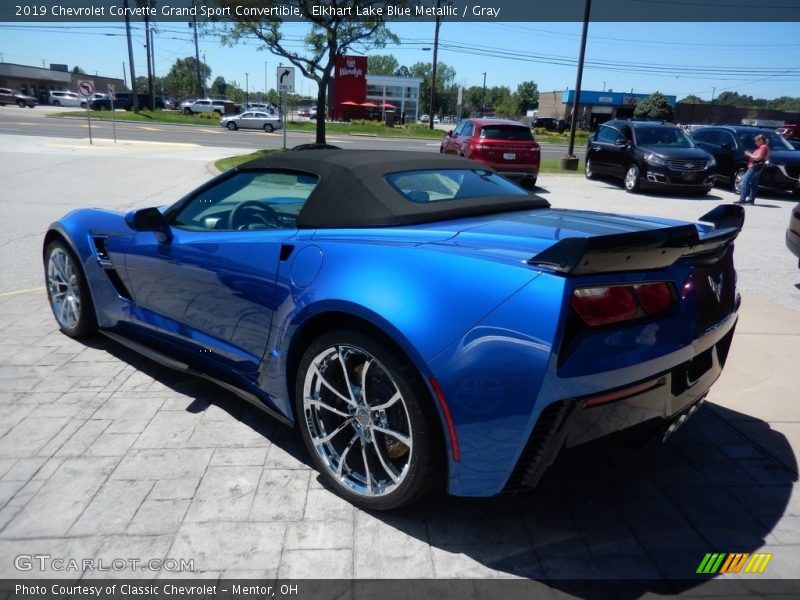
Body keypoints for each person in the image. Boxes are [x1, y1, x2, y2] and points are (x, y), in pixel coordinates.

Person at [736, 134, 771, 205]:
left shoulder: (763, 147)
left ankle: (742, 199)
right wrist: (751, 155)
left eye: (756, 141)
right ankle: (751, 200)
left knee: (745, 181)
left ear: (760, 140)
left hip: (754, 167)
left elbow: (758, 158)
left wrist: (749, 154)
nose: (755, 143)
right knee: (753, 184)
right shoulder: (765, 147)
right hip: (758, 167)